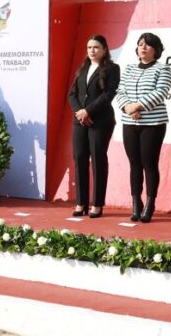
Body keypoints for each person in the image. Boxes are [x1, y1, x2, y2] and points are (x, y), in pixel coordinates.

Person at [115, 33, 171, 223]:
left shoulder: (162, 68)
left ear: (156, 49)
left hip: (153, 124)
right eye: (140, 45)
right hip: (130, 122)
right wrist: (127, 108)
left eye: (147, 45)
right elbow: (120, 90)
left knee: (149, 163)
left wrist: (138, 106)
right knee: (134, 164)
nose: (143, 48)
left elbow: (161, 91)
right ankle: (136, 203)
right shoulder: (130, 68)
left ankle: (150, 204)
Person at [68, 35, 120, 219]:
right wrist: (80, 113)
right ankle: (81, 202)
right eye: (89, 47)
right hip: (80, 121)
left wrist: (88, 111)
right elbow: (72, 94)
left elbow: (108, 94)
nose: (92, 50)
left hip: (101, 121)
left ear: (105, 49)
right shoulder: (83, 68)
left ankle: (97, 204)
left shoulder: (112, 69)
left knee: (97, 159)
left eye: (96, 47)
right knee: (79, 158)